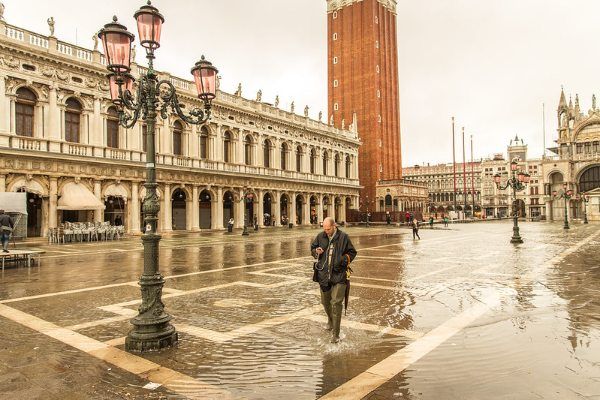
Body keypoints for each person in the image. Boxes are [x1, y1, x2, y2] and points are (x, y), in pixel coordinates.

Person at [311, 217, 357, 343]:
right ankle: (331, 321)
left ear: (334, 226)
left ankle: (336, 335)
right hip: (323, 276)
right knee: (326, 303)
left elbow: (352, 252)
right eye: (324, 229)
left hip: (339, 275)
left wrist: (342, 261)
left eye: (328, 229)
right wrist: (316, 251)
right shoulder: (320, 236)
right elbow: (313, 248)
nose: (326, 231)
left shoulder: (344, 237)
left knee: (336, 304)